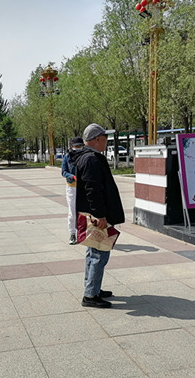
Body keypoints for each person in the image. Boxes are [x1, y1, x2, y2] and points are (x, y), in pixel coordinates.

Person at [70, 123, 125, 308]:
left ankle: (93, 288)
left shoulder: (87, 157)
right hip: (96, 216)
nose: (106, 141)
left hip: (93, 214)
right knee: (99, 255)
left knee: (94, 252)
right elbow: (93, 191)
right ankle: (90, 295)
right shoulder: (91, 159)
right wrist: (100, 215)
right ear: (97, 140)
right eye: (105, 138)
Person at [62, 137, 84, 244]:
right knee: (72, 212)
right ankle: (72, 234)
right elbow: (63, 172)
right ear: (72, 147)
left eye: (80, 146)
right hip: (72, 187)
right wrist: (72, 176)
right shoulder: (67, 157)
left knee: (84, 212)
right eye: (76, 146)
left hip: (83, 188)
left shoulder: (85, 156)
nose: (78, 148)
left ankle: (83, 233)